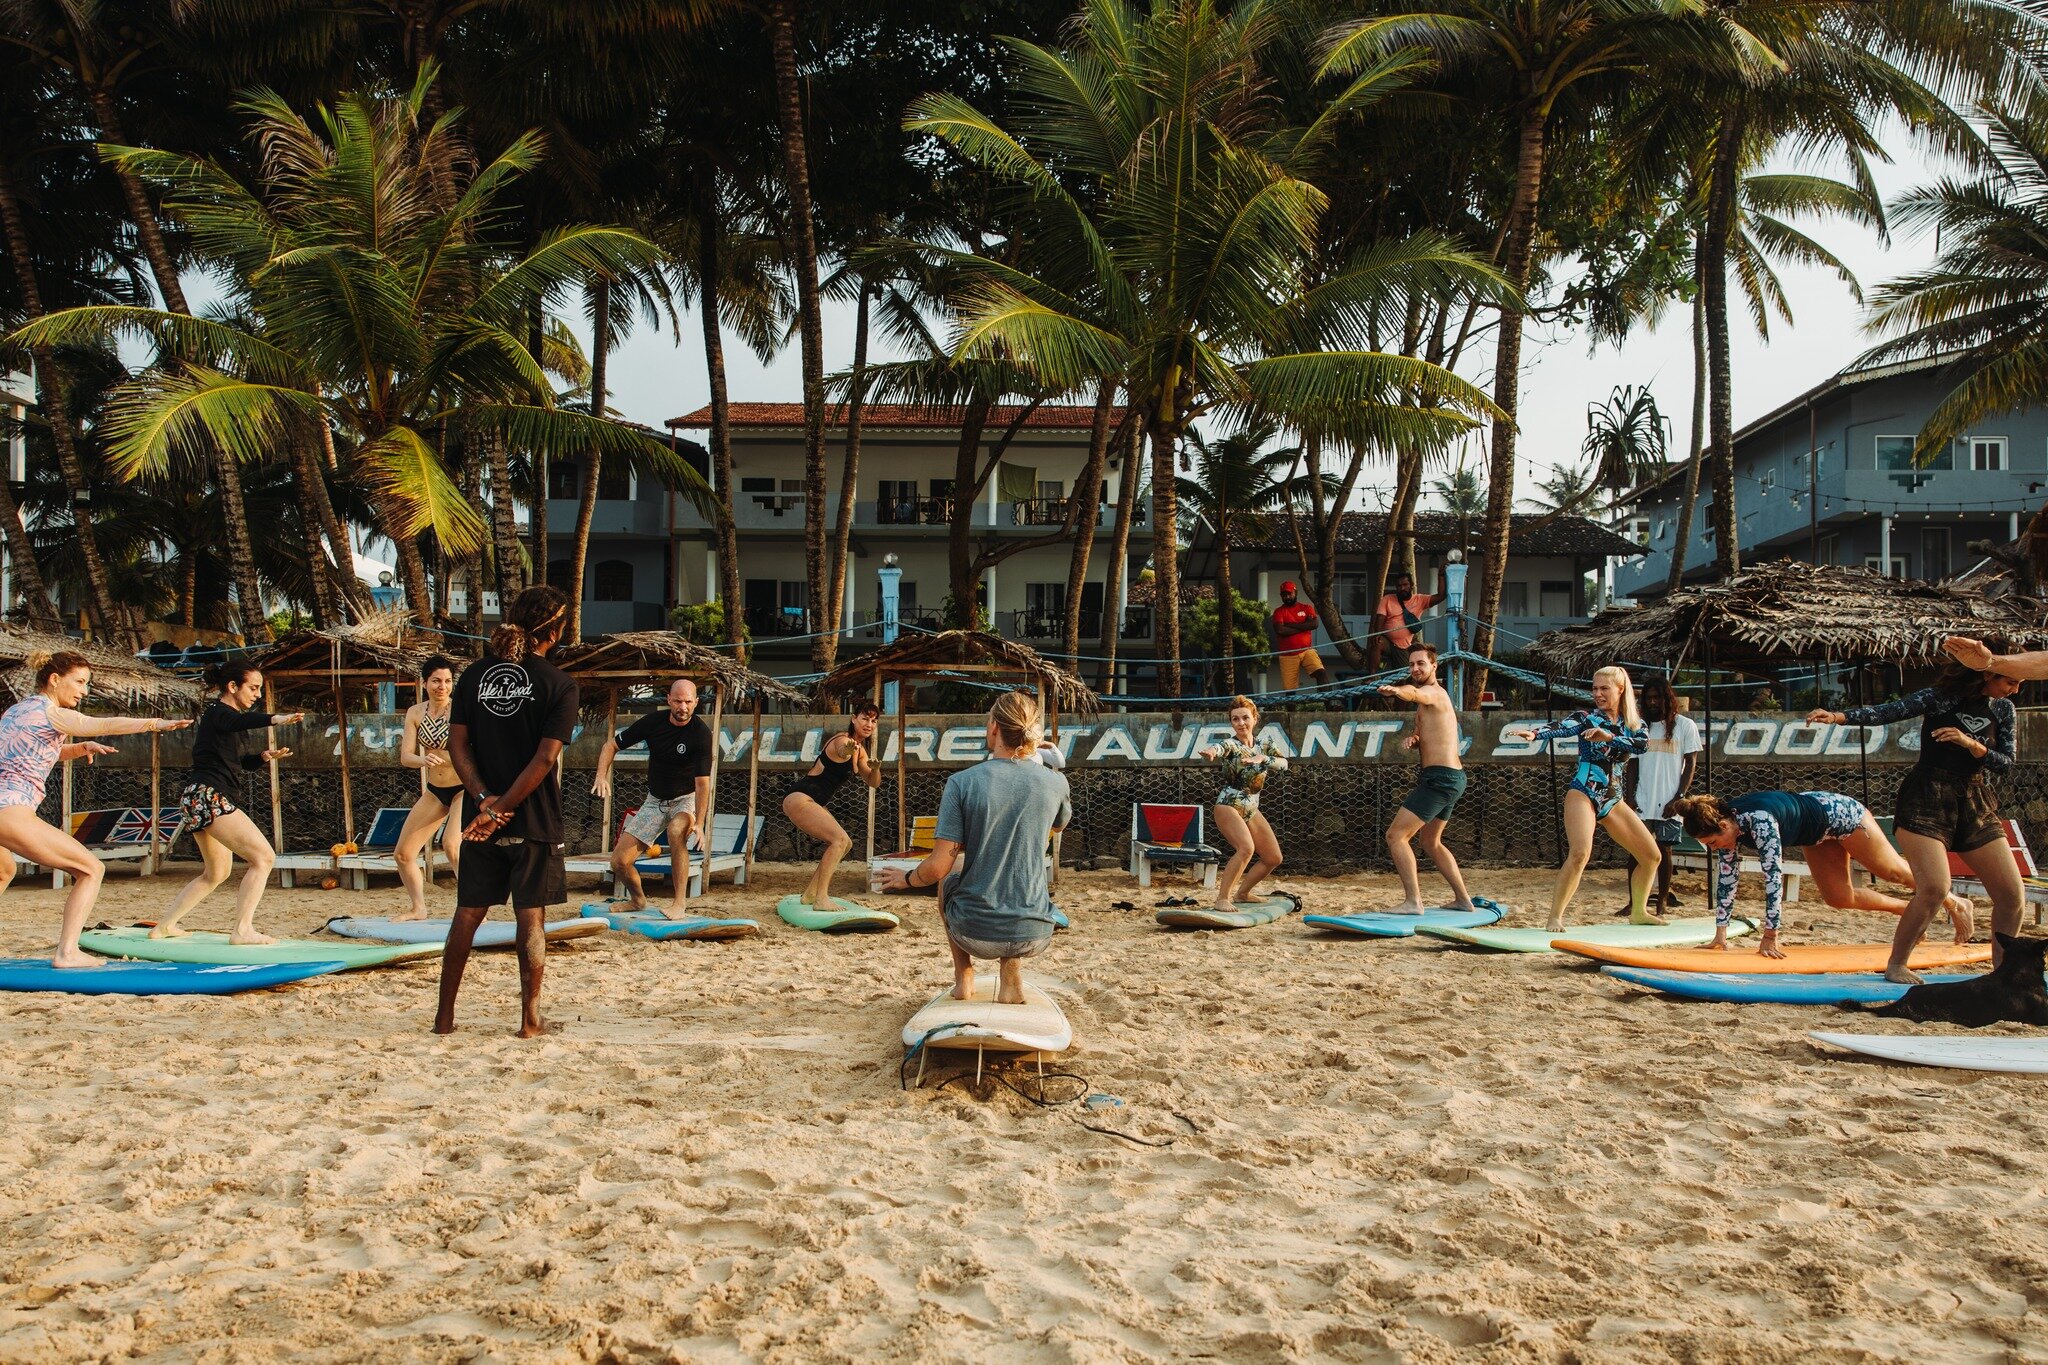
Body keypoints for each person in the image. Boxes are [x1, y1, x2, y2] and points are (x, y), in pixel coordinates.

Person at [1809, 660, 2023, 984]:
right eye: (2010, 681)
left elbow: (2006, 763)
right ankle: (1897, 964)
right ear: (1988, 673)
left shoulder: (2004, 709)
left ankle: (2002, 975)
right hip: (1926, 799)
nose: (2015, 689)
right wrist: (1838, 716)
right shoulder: (1940, 697)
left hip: (1975, 802)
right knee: (1935, 888)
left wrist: (1971, 744)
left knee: (2012, 894)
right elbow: (1889, 712)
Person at [437, 584, 578, 1038]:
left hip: (479, 821)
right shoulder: (559, 684)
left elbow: (457, 745)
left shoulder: (473, 677)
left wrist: (482, 802)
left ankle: (444, 1019)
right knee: (530, 917)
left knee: (468, 914)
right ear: (553, 632)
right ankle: (529, 1021)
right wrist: (503, 808)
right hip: (532, 818)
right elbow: (544, 759)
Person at [878, 691, 1069, 1005]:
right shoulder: (1056, 782)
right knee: (1015, 881)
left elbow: (938, 866)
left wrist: (907, 879)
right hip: (1036, 933)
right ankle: (1010, 976)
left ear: (994, 728)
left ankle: (964, 973)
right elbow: (1058, 825)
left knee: (950, 875)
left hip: (976, 934)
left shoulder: (963, 783)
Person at [0, 652, 190, 966]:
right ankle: (67, 952)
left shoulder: (18, 711)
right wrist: (155, 723)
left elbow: (37, 753)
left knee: (5, 870)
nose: (84, 690)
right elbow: (98, 723)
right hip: (11, 809)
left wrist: (79, 748)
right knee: (91, 869)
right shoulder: (51, 712)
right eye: (80, 681)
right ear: (55, 679)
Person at [1671, 789, 1975, 960]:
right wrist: (1720, 936)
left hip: (1840, 815)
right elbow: (1727, 882)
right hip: (1813, 832)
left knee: (1891, 871)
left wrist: (1769, 937)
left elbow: (1773, 881)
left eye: (1712, 843)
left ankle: (1953, 901)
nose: (1714, 849)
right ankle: (1908, 912)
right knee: (1839, 898)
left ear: (1724, 826)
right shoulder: (1727, 827)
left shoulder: (1759, 823)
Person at [154, 662, 304, 944]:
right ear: (232, 687)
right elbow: (236, 721)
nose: (257, 694)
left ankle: (164, 926)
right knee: (264, 858)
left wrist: (262, 757)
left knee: (216, 873)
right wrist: (276, 719)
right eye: (253, 688)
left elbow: (239, 762)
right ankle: (242, 930)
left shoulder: (225, 720)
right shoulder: (218, 713)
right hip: (209, 797)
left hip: (199, 798)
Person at [1505, 666, 1661, 931]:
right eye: (1594, 688)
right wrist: (1535, 734)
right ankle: (1554, 917)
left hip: (1613, 799)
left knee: (1651, 856)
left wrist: (1609, 736)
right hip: (1584, 793)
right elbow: (1562, 727)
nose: (1597, 694)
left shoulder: (1636, 725)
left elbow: (1641, 746)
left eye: (1604, 688)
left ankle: (1638, 911)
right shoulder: (1587, 718)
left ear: (1621, 690)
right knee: (1580, 854)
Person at [592, 677, 716, 917]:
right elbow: (611, 746)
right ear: (669, 700)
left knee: (676, 831)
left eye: (688, 702)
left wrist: (700, 823)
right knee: (618, 862)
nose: (683, 707)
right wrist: (600, 776)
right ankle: (638, 901)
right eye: (678, 701)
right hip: (654, 801)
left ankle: (679, 903)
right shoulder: (652, 722)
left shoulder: (700, 733)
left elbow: (702, 784)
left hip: (685, 799)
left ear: (696, 702)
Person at [1377, 643, 1477, 914]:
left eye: (1421, 663)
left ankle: (1413, 902)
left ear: (1434, 666)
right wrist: (1415, 739)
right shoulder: (1428, 700)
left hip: (1441, 779)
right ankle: (1463, 900)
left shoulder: (1433, 693)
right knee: (1430, 842)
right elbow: (1428, 732)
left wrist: (1398, 690)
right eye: (1411, 665)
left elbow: (1412, 694)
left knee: (1395, 836)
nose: (1415, 669)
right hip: (1450, 777)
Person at [781, 700, 882, 908]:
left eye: (873, 721)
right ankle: (821, 899)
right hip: (801, 797)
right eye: (865, 718)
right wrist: (847, 750)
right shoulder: (842, 739)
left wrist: (876, 768)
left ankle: (810, 895)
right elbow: (843, 751)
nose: (869, 724)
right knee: (838, 841)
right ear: (854, 719)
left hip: (814, 801)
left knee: (846, 843)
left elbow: (873, 783)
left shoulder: (861, 751)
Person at [1195, 695, 1290, 912]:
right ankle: (1222, 898)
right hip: (1228, 805)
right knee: (1246, 848)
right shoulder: (1232, 745)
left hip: (1251, 807)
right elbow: (1220, 747)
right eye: (1235, 719)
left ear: (1255, 719)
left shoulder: (1265, 744)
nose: (1240, 724)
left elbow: (1284, 763)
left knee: (1273, 857)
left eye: (1245, 718)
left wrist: (1263, 759)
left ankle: (1243, 893)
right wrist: (1211, 752)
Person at [1621, 675, 1702, 918]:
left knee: (1664, 851)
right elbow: (1632, 764)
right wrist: (1630, 796)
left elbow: (1691, 763)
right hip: (1642, 800)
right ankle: (1635, 902)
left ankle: (1662, 902)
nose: (1653, 702)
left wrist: (1678, 798)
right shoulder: (1638, 727)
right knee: (1636, 851)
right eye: (1649, 698)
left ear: (1667, 699)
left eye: (1657, 697)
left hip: (1669, 800)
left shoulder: (1685, 726)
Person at [392, 655, 463, 921]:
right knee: (403, 854)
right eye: (436, 681)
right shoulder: (415, 712)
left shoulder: (461, 710)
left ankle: (475, 908)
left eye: (447, 681)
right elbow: (405, 757)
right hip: (436, 789)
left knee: (451, 844)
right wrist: (423, 759)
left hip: (463, 789)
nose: (441, 686)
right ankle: (418, 908)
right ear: (424, 683)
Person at [1367, 570, 1437, 674]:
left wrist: (1441, 576)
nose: (1402, 588)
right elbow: (1379, 619)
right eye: (1399, 586)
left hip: (1403, 647)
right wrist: (1377, 634)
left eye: (1405, 584)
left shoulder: (1420, 600)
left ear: (1411, 585)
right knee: (1378, 642)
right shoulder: (1387, 599)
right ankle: (1371, 676)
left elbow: (1441, 596)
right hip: (1388, 642)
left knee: (1404, 677)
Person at [1270, 582, 1330, 690]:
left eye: (1289, 593)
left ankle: (1329, 705)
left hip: (1306, 650)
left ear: (1295, 592)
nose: (1287, 597)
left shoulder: (1306, 607)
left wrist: (1289, 625)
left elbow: (1315, 624)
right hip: (1287, 655)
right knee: (1290, 690)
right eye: (1284, 595)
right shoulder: (1279, 611)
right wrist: (1304, 625)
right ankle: (1292, 707)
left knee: (1321, 673)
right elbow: (1280, 630)